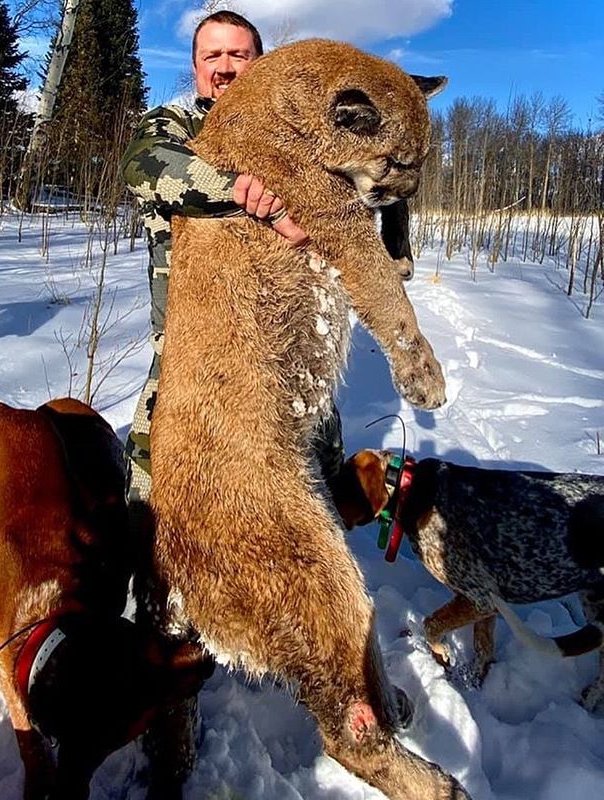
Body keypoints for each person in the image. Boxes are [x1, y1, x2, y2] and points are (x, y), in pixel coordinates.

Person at [121, 9, 415, 795]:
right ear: (195, 68)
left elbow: (376, 206)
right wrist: (237, 189)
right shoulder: (178, 126)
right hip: (196, 387)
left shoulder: (305, 132)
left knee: (304, 545)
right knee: (170, 560)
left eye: (241, 55)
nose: (226, 67)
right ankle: (171, 720)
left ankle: (341, 682)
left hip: (291, 387)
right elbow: (144, 167)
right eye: (212, 55)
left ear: (263, 63)